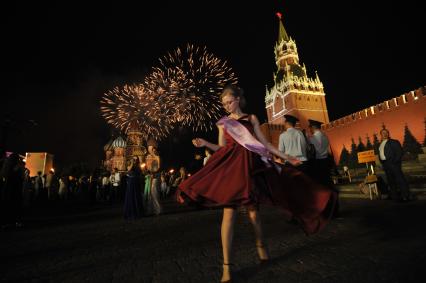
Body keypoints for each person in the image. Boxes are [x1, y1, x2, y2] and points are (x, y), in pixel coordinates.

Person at [177, 85, 336, 283]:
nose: (227, 106)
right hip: (231, 170)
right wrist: (206, 144)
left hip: (249, 168)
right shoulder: (223, 123)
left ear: (238, 99)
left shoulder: (252, 118)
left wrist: (287, 157)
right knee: (229, 213)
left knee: (253, 213)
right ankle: (226, 266)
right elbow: (221, 148)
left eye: (230, 101)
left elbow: (266, 144)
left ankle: (261, 246)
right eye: (224, 103)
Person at [378, 128, 411, 202]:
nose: (385, 134)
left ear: (388, 134)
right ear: (381, 135)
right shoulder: (380, 144)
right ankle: (394, 196)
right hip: (386, 165)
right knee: (391, 181)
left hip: (393, 164)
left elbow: (399, 152)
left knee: (400, 180)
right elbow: (380, 154)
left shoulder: (393, 142)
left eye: (386, 132)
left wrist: (395, 162)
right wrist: (382, 163)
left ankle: (405, 196)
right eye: (383, 133)